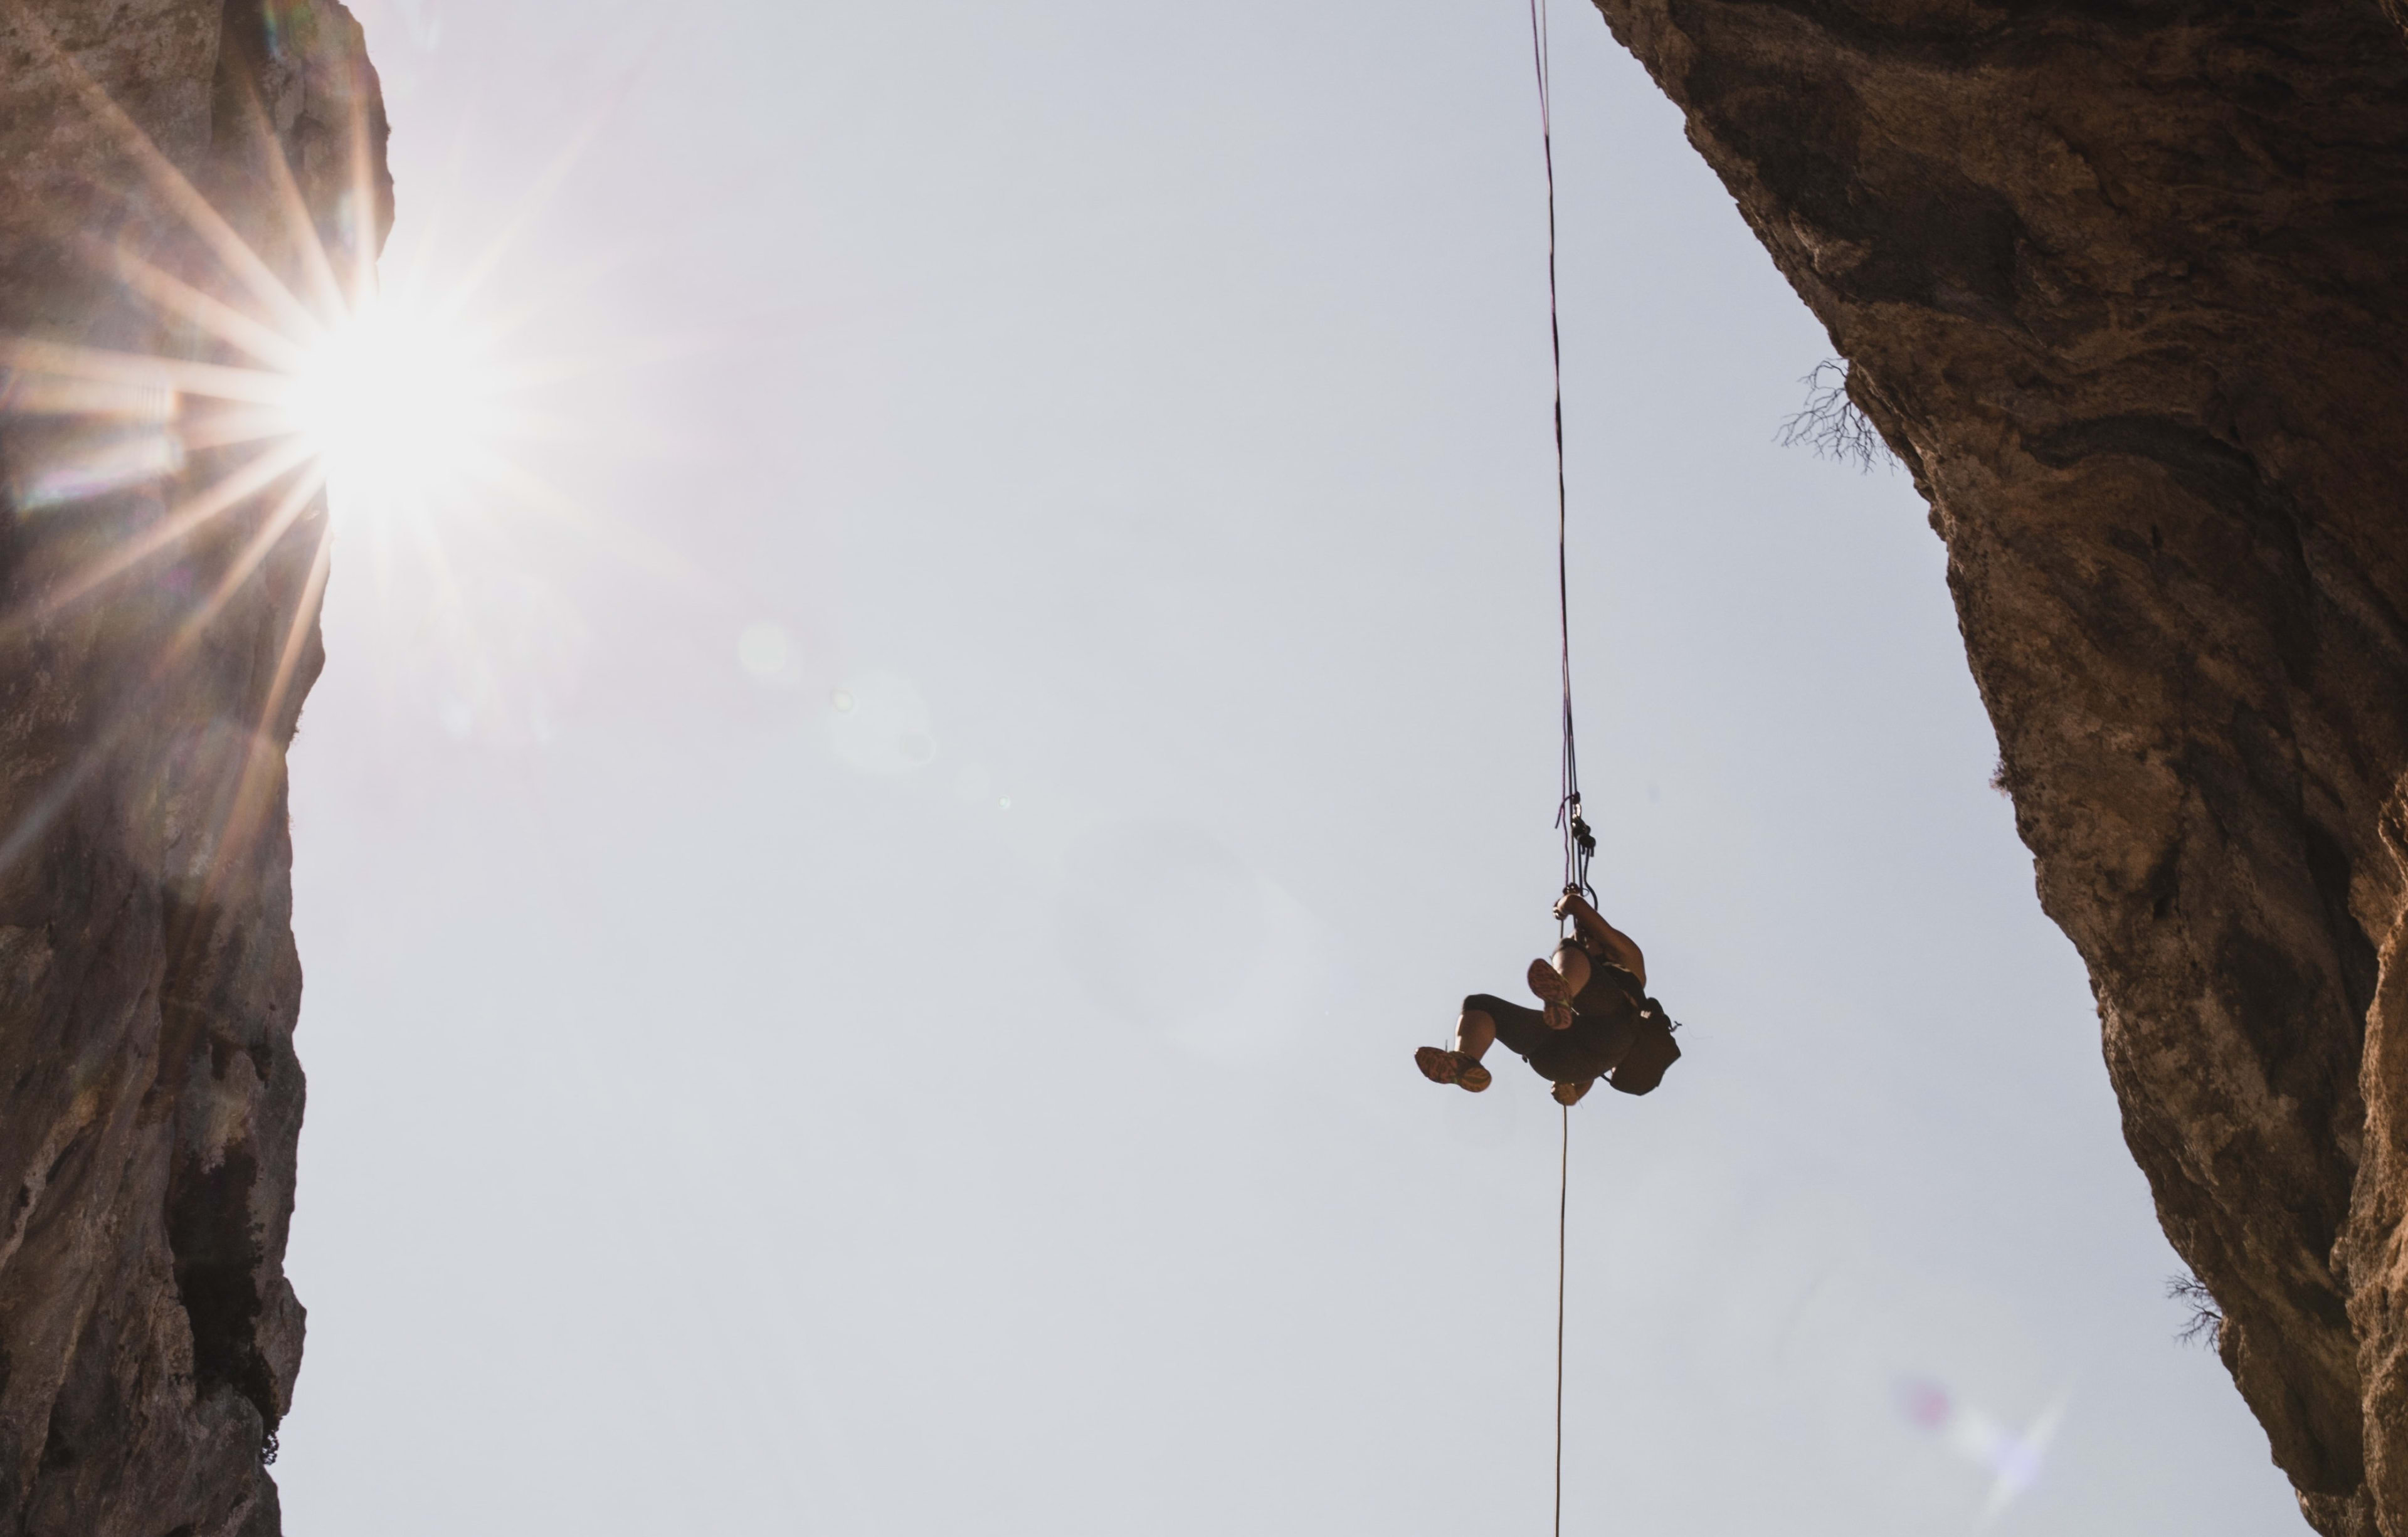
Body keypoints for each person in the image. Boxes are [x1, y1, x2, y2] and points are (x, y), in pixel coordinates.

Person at [1415, 889, 1680, 1105]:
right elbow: (1594, 1061)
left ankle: (1562, 995)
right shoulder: (1595, 988)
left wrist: (1563, 905)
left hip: (1607, 1032)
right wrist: (1574, 1094)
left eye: (1588, 937)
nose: (1584, 938)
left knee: (1568, 949)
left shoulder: (1628, 958)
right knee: (1479, 1005)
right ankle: (1464, 1064)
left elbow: (1575, 905)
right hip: (1569, 1063)